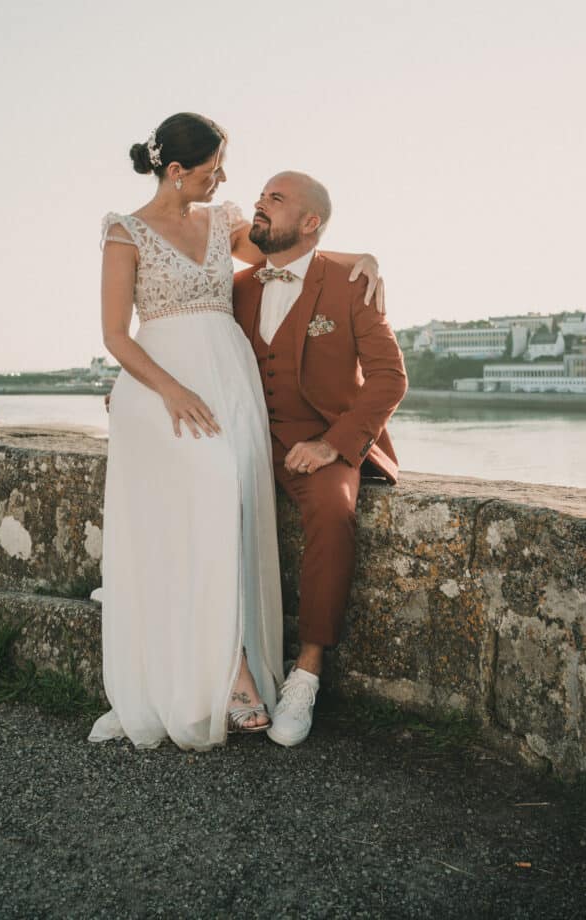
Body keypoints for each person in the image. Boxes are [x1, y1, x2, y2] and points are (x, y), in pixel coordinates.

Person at [88, 113, 383, 751]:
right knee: (197, 506)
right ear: (174, 171)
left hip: (230, 383)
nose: (224, 179)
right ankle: (215, 676)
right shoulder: (125, 232)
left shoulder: (222, 223)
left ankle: (237, 664)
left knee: (239, 507)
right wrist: (170, 389)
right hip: (163, 389)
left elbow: (289, 254)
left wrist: (359, 257)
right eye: (212, 169)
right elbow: (114, 333)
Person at [232, 171, 408, 747]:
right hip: (252, 438)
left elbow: (389, 378)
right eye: (260, 197)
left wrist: (335, 443)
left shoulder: (351, 283)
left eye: (274, 200)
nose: (259, 205)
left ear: (309, 222)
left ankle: (305, 674)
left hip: (325, 439)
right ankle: (227, 664)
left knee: (333, 514)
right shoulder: (238, 287)